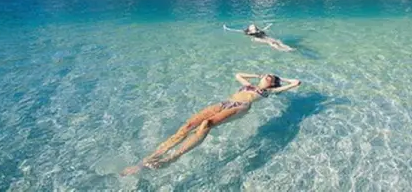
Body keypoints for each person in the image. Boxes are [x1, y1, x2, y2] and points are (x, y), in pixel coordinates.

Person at [120, 73, 301, 175]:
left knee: (206, 124)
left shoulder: (269, 91)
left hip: (242, 106)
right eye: (267, 75)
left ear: (272, 84)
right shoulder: (249, 85)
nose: (268, 76)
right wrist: (257, 75)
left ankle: (171, 159)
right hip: (225, 102)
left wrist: (279, 80)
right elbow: (238, 74)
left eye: (271, 78)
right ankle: (145, 162)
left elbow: (296, 82)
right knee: (188, 125)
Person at [224, 23, 294, 52]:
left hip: (265, 36)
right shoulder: (248, 32)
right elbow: (236, 30)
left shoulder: (259, 30)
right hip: (257, 39)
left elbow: (265, 29)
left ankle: (288, 48)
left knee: (277, 41)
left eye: (255, 27)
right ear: (249, 29)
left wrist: (269, 25)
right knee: (270, 42)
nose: (255, 28)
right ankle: (282, 50)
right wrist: (227, 28)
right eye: (253, 27)